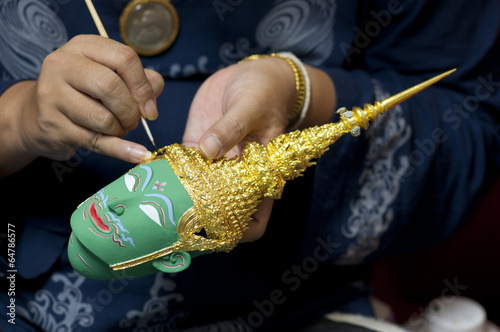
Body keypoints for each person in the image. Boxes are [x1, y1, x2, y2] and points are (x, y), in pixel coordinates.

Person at [1, 0, 499, 331]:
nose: (112, 209)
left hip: (292, 309)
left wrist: (305, 91)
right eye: (137, 184)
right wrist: (19, 121)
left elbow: (466, 131)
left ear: (180, 249)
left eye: (149, 207)